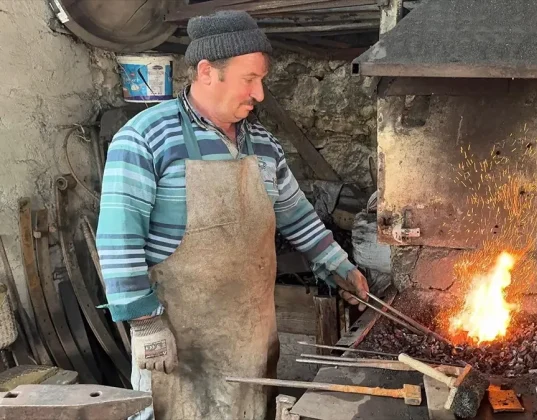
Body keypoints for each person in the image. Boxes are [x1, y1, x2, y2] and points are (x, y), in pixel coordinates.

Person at [96, 9, 369, 420]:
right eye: (249, 80)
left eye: (262, 80)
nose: (259, 94)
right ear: (207, 71)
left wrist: (338, 266)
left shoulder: (264, 145)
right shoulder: (144, 138)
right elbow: (119, 241)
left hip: (252, 341)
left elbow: (297, 216)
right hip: (181, 346)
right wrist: (144, 323)